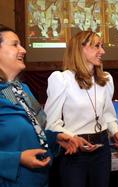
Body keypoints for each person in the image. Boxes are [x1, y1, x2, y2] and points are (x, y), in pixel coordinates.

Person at [44, 30, 118, 187]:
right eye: (97, 46)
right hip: (74, 151)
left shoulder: (106, 79)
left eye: (102, 46)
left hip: (102, 149)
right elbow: (51, 123)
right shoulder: (61, 80)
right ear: (80, 49)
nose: (102, 51)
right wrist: (72, 137)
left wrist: (115, 131)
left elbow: (107, 113)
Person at [0, 24, 78, 187]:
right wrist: (17, 159)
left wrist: (55, 137)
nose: (23, 50)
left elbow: (35, 129)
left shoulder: (23, 89)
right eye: (15, 45)